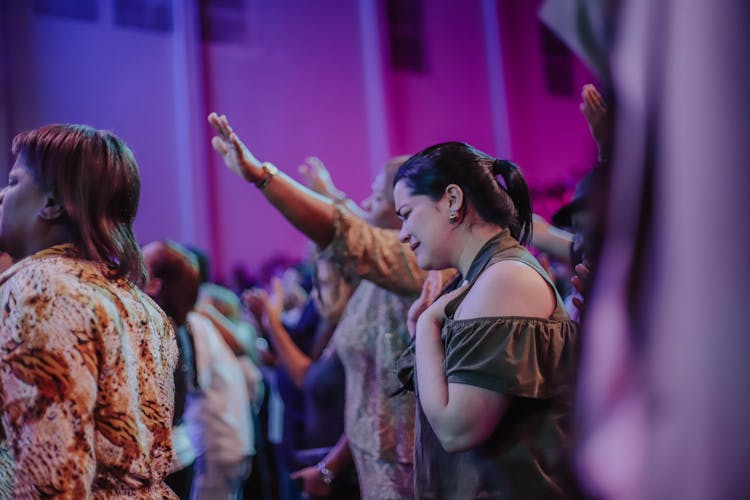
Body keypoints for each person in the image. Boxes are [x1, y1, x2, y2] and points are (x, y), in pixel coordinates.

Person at [208, 113, 427, 499]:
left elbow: (349, 231)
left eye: (376, 197)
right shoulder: (374, 284)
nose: (361, 204)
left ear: (405, 211)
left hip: (408, 475)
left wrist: (263, 175)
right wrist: (331, 467)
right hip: (370, 467)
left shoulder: (415, 264)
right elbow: (372, 402)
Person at [393, 142, 579, 499]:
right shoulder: (478, 278)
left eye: (407, 213)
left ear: (451, 200)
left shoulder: (505, 278)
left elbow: (457, 429)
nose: (402, 233)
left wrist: (429, 326)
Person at [0, 124, 177, 497]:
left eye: (14, 183)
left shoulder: (40, 290)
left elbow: (51, 477)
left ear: (51, 204)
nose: (2, 194)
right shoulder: (139, 301)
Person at [247, 250, 361, 499]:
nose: (314, 295)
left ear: (348, 285)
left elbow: (365, 416)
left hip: (341, 467)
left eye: (324, 284)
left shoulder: (355, 335)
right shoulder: (331, 327)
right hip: (321, 459)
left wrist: (272, 323)